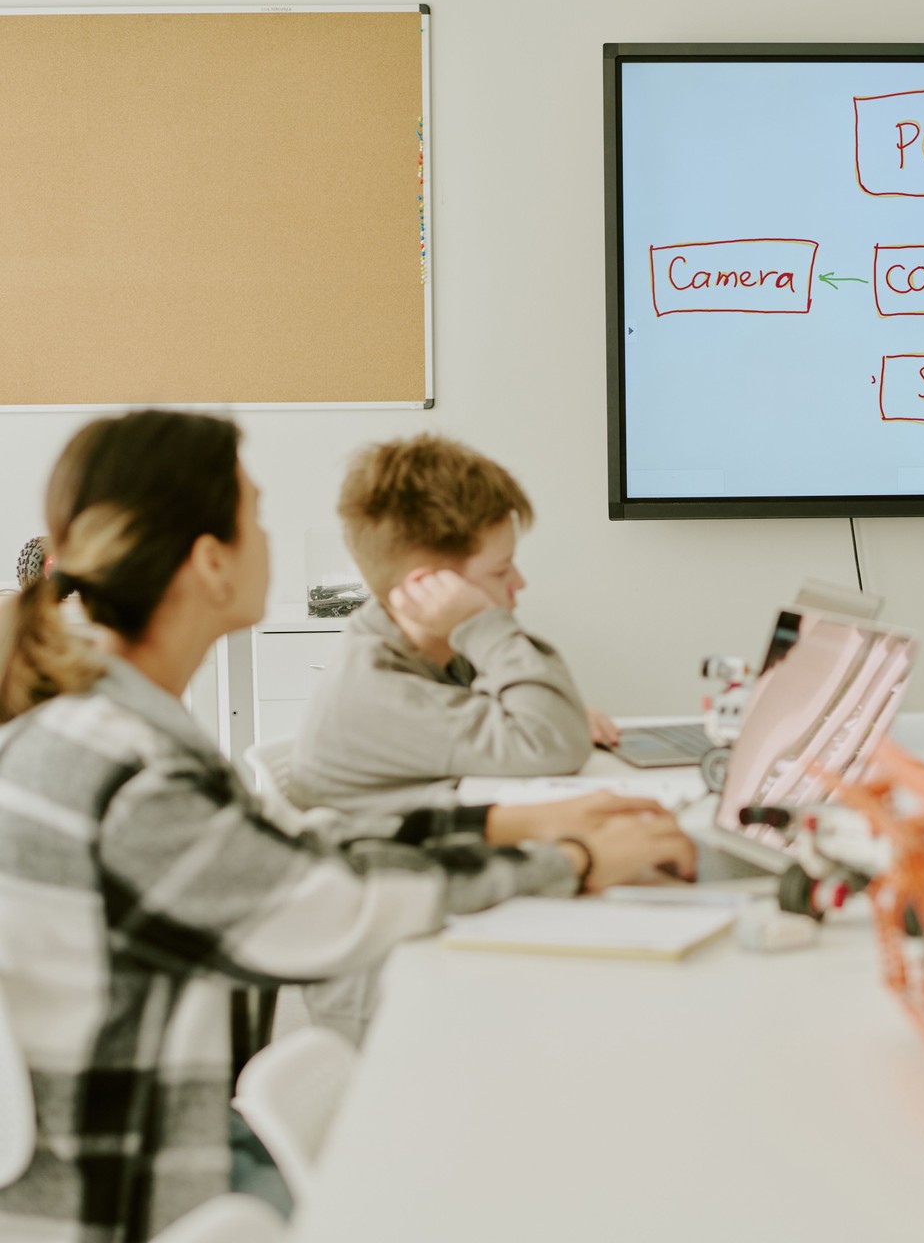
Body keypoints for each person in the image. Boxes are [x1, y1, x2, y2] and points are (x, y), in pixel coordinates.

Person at [0, 411, 692, 1241]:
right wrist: (572, 860)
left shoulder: (103, 723)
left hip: (152, 1138)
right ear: (211, 561)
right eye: (254, 515)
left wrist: (513, 824)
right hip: (131, 1193)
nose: (271, 536)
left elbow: (288, 856)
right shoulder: (132, 770)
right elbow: (335, 908)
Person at [288, 435, 622, 816]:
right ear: (429, 587)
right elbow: (557, 742)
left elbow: (543, 725)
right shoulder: (379, 689)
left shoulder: (425, 645)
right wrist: (482, 625)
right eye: (500, 570)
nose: (519, 582)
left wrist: (553, 713)